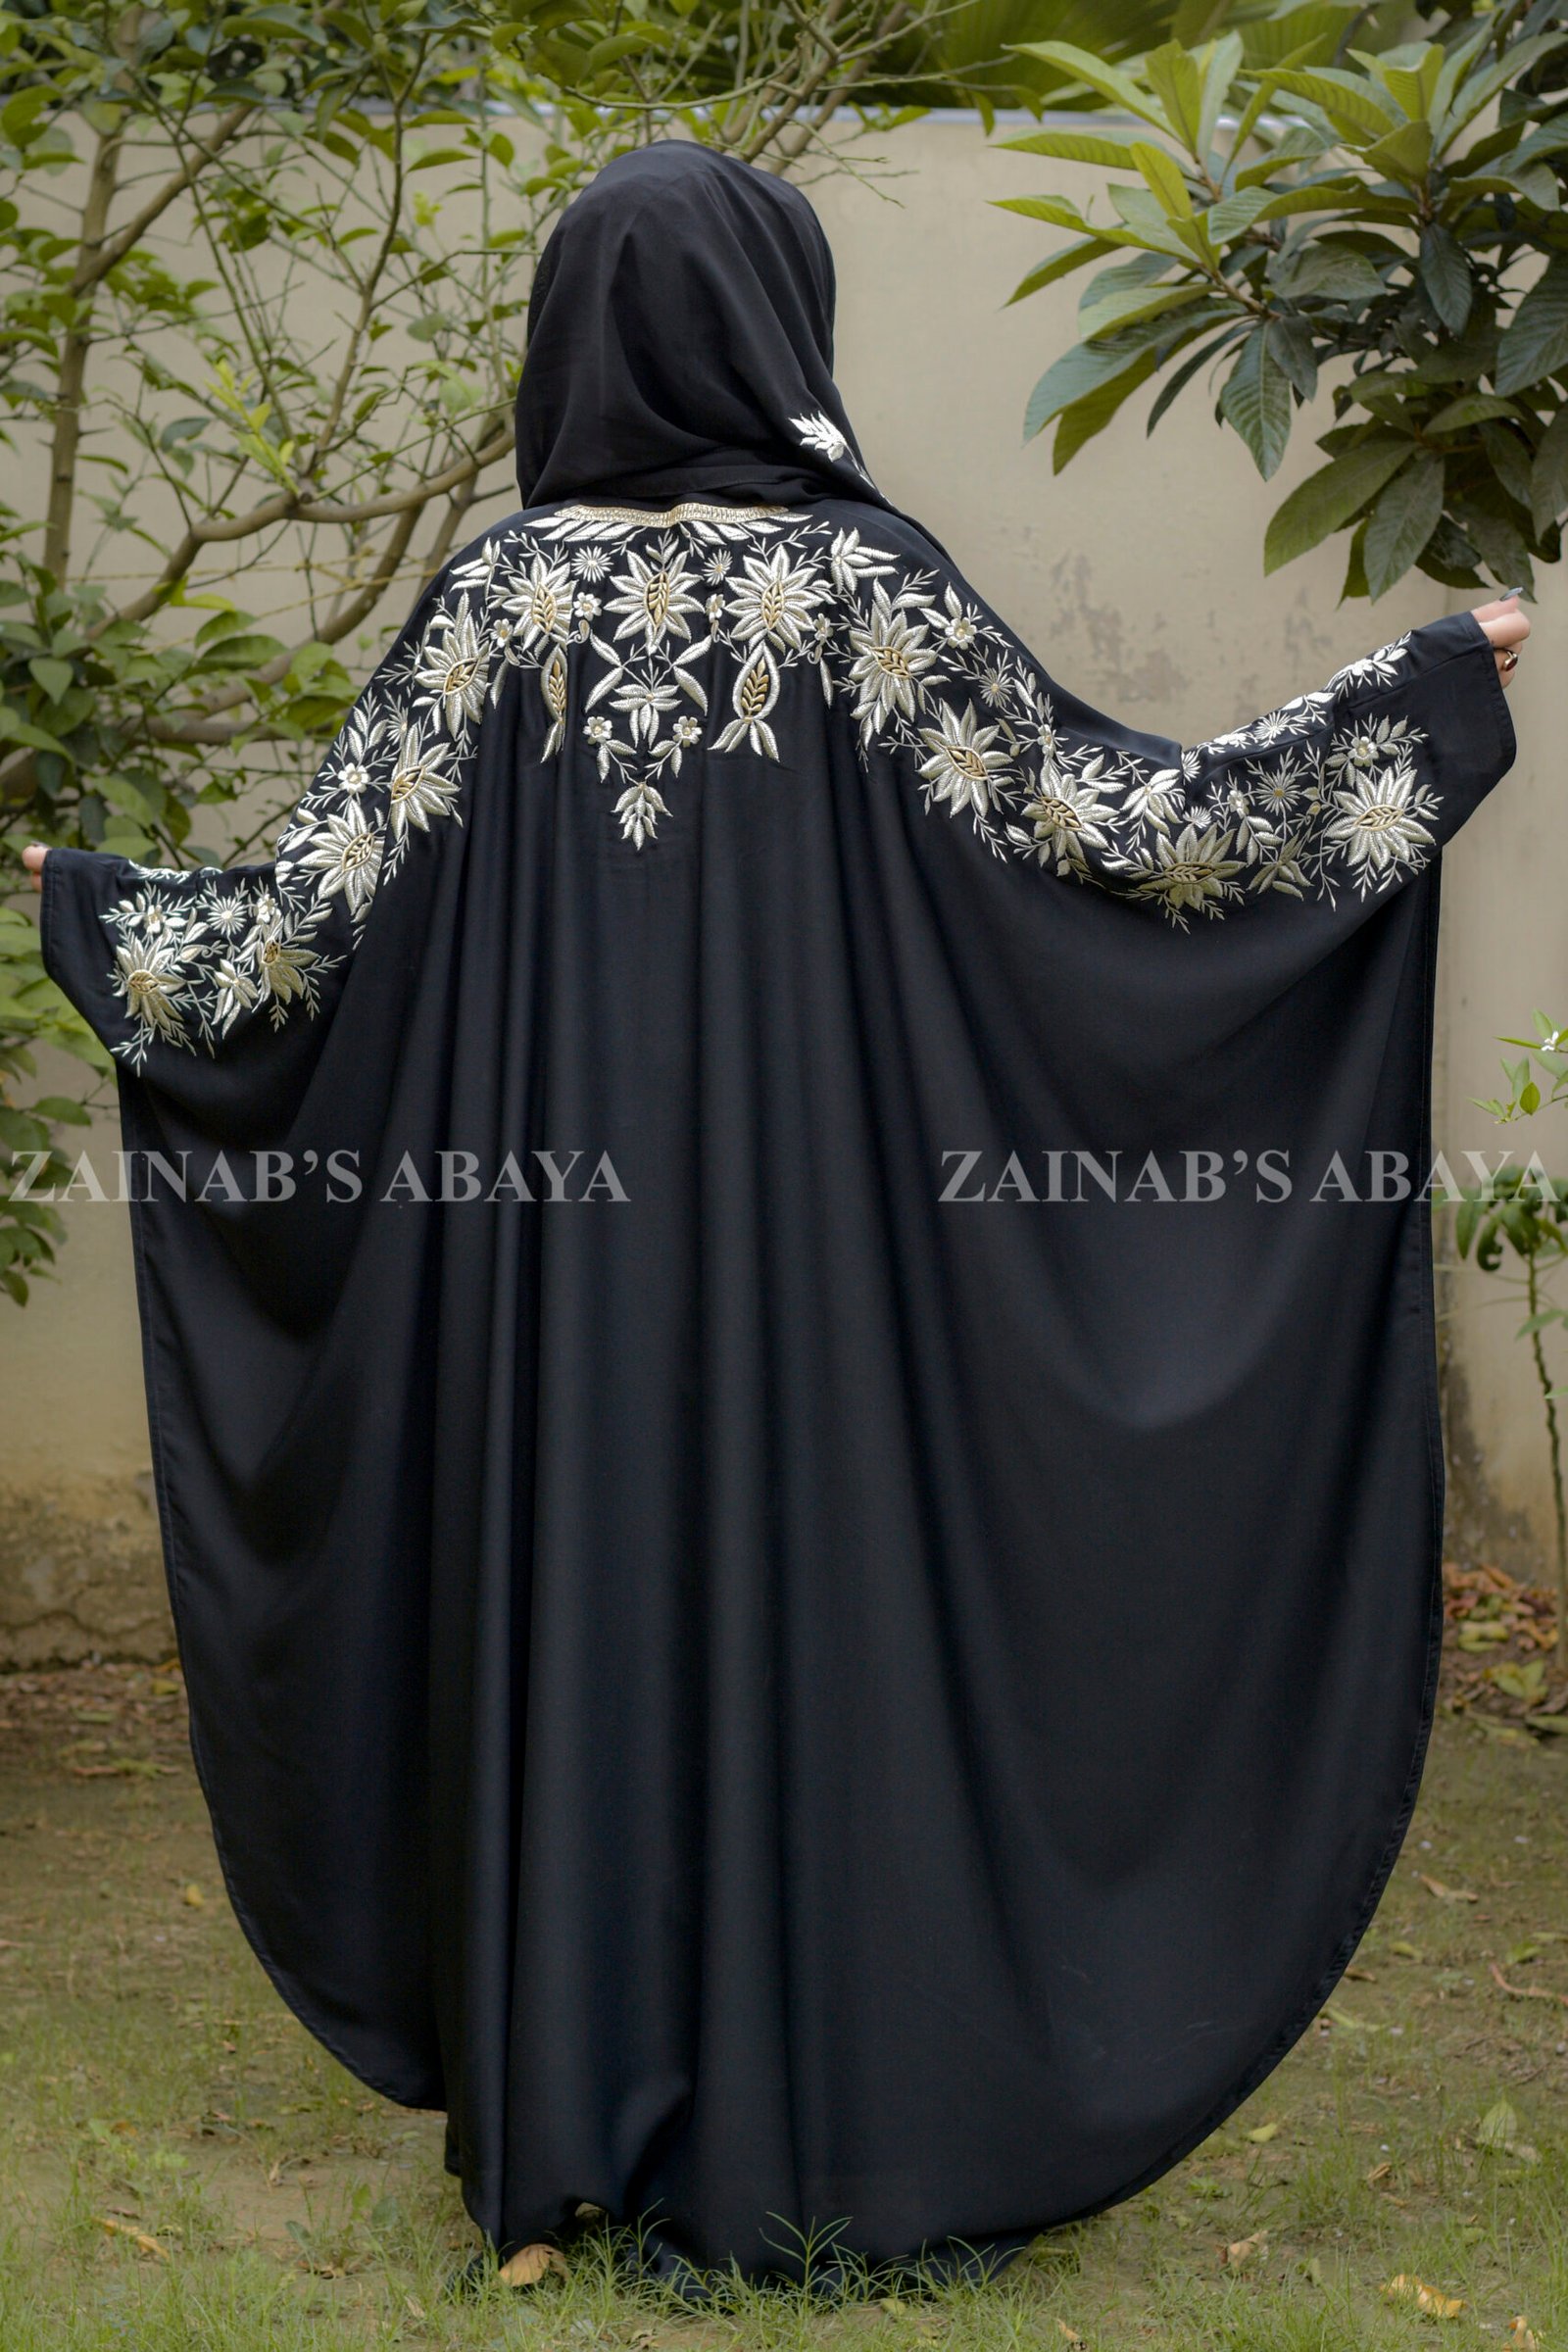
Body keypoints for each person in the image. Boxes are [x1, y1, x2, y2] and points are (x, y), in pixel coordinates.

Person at [23, 141, 1530, 2295]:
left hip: (554, 1286)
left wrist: (105, 914)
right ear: (768, 322)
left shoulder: (498, 605)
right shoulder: (863, 592)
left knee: (579, 1602)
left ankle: (568, 2128)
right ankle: (820, 2109)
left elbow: (302, 933)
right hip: (819, 1284)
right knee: (810, 1610)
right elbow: (1125, 835)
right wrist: (1413, 703)